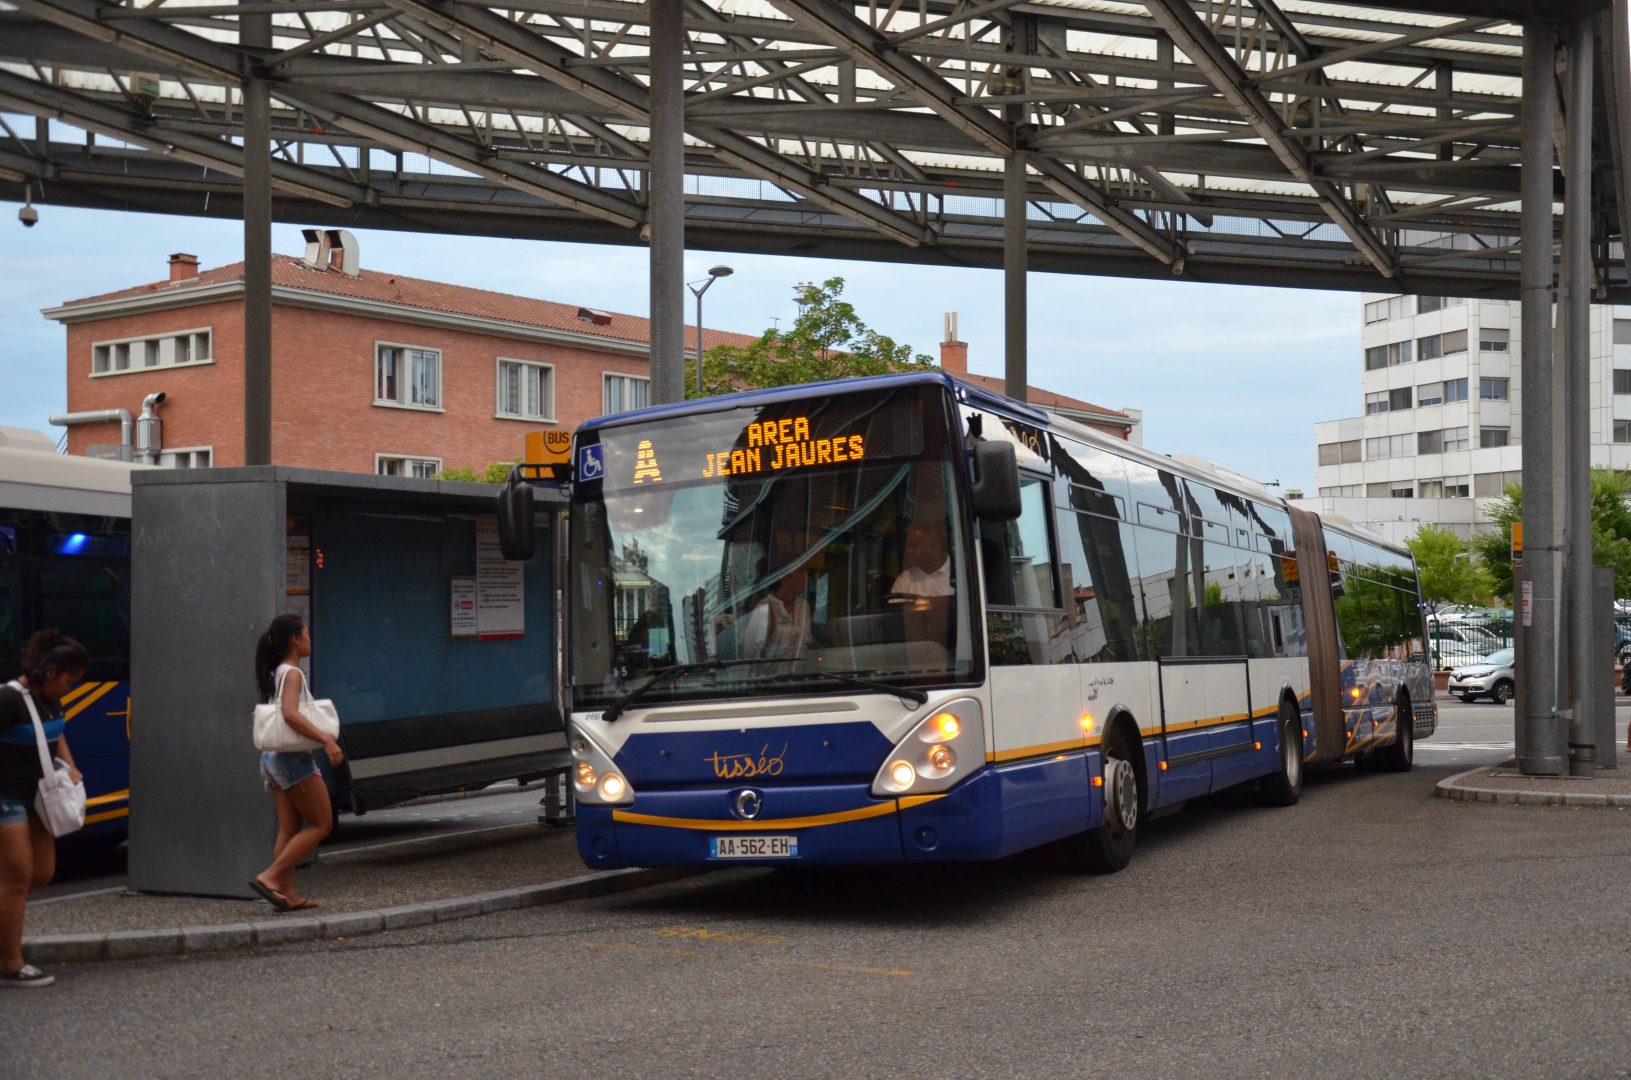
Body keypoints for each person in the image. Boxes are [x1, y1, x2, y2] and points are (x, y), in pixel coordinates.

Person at [0, 630, 89, 988]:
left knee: (43, 872)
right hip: (6, 794)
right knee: (18, 877)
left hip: (41, 796)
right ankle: (10, 964)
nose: (71, 687)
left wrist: (69, 764)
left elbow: (55, 734)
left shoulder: (51, 700)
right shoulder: (9, 699)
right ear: (52, 671)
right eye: (70, 680)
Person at [250, 614, 343, 913]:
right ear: (295, 639)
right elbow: (290, 714)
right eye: (307, 633)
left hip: (273, 759)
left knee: (289, 830)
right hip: (292, 761)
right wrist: (326, 740)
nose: (310, 639)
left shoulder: (279, 671)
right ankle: (271, 877)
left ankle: (287, 895)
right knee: (322, 823)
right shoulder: (293, 674)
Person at [739, 563, 811, 659]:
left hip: (799, 672)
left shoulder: (803, 606)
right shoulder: (763, 610)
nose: (806, 576)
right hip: (768, 672)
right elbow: (750, 653)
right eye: (800, 571)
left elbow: (806, 644)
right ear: (784, 577)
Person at [892, 523, 953, 598]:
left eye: (914, 545)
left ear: (933, 545)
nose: (909, 551)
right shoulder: (905, 579)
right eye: (908, 546)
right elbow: (896, 608)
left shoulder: (959, 573)